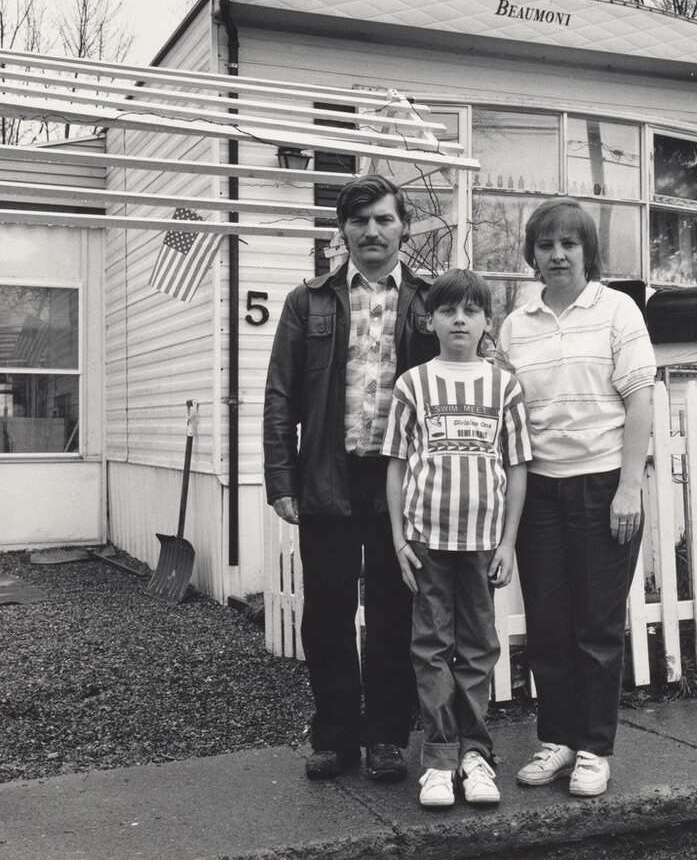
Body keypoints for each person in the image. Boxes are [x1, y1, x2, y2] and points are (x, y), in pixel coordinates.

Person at [263, 174, 439, 782]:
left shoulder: (428, 301)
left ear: (403, 228)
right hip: (328, 480)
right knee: (328, 614)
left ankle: (388, 737)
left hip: (403, 485)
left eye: (384, 220)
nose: (372, 232)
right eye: (360, 221)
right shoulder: (307, 301)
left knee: (395, 612)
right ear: (343, 230)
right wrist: (281, 478)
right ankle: (335, 735)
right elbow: (281, 395)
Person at [495, 198, 655, 798]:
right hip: (538, 491)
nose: (557, 254)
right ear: (532, 254)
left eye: (569, 244)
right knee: (548, 624)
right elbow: (511, 417)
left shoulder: (618, 312)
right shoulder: (516, 323)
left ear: (588, 251)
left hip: (603, 486)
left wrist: (629, 488)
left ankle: (593, 749)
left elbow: (640, 400)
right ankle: (557, 741)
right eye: (545, 245)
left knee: (597, 626)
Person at [382, 269, 532, 808]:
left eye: (471, 311)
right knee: (431, 648)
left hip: (484, 542)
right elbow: (397, 465)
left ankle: (476, 754)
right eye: (448, 311)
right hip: (426, 541)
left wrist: (509, 542)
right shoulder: (413, 384)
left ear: (487, 321)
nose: (459, 320)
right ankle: (440, 759)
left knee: (477, 649)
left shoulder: (503, 385)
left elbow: (516, 466)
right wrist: (399, 539)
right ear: (430, 320)